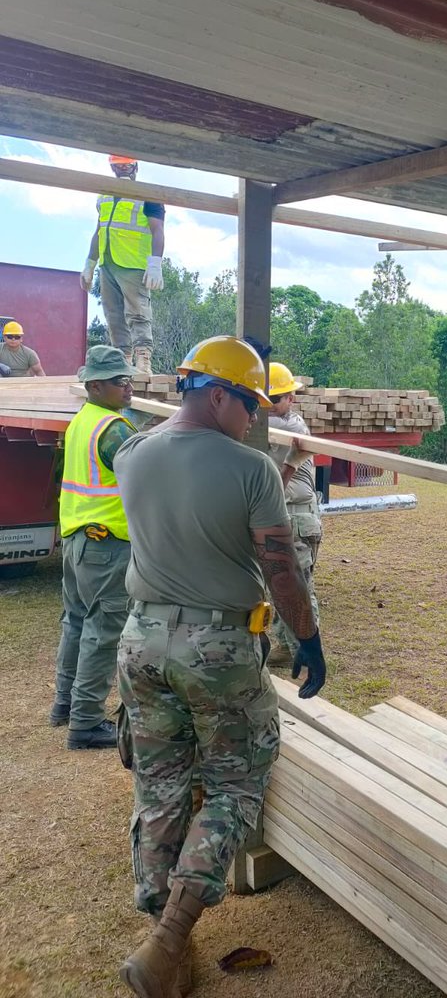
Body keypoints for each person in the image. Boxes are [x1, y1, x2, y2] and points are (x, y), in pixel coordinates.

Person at [114, 335, 325, 998]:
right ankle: (169, 942)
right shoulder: (251, 469)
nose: (253, 417)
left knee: (160, 788)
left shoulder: (130, 453)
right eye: (248, 404)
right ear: (216, 395)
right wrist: (308, 639)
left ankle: (165, 947)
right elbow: (281, 569)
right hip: (216, 648)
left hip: (140, 642)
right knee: (234, 785)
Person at [51, 345, 138, 748]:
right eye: (120, 381)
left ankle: (65, 705)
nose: (128, 387)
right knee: (103, 631)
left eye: (129, 379)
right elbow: (147, 477)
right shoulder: (114, 430)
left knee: (76, 622)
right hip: (106, 545)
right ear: (95, 386)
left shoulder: (82, 420)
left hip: (77, 539)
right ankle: (85, 723)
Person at [80, 155, 165, 374]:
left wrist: (155, 263)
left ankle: (143, 360)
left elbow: (157, 229)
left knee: (138, 312)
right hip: (108, 262)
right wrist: (90, 262)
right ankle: (122, 359)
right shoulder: (104, 196)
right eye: (118, 166)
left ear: (136, 166)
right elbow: (99, 230)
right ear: (112, 168)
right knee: (113, 314)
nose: (123, 170)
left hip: (133, 264)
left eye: (126, 165)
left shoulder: (148, 195)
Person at [266, 361, 323, 664]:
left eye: (275, 399)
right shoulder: (270, 423)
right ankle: (288, 648)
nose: (268, 407)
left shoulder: (291, 427)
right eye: (263, 400)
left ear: (291, 398)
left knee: (297, 587)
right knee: (278, 585)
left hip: (297, 517)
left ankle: (307, 651)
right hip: (281, 513)